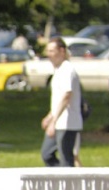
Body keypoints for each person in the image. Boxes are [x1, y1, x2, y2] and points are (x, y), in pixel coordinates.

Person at [40, 37, 83, 167]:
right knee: (46, 154)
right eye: (48, 51)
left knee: (66, 158)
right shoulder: (59, 70)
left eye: (52, 51)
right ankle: (63, 178)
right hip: (58, 121)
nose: (49, 54)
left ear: (62, 51)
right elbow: (59, 98)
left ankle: (72, 183)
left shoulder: (67, 69)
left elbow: (66, 96)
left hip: (68, 123)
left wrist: (53, 121)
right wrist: (50, 116)